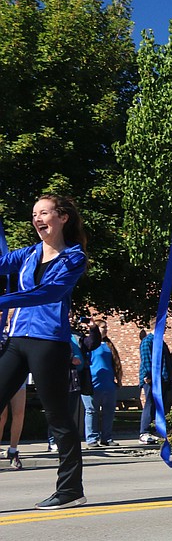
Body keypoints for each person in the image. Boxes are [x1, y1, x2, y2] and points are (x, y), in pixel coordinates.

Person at [0, 195, 89, 508]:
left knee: (58, 416)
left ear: (62, 217)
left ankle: (70, 490)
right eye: (34, 213)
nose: (38, 218)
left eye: (44, 212)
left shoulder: (73, 258)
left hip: (49, 342)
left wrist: (2, 302)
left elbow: (47, 293)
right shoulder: (27, 255)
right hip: (16, 339)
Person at [82, 321, 118, 446]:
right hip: (92, 383)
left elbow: (115, 364)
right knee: (91, 411)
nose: (105, 330)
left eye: (106, 327)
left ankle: (106, 438)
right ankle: (91, 438)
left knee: (109, 411)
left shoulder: (108, 345)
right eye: (103, 327)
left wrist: (117, 379)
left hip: (108, 384)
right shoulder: (89, 344)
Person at [138, 321, 171, 444]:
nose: (166, 329)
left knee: (160, 406)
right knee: (150, 404)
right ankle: (144, 432)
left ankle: (157, 430)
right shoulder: (148, 341)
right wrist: (147, 375)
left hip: (162, 379)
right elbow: (146, 359)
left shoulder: (160, 342)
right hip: (152, 379)